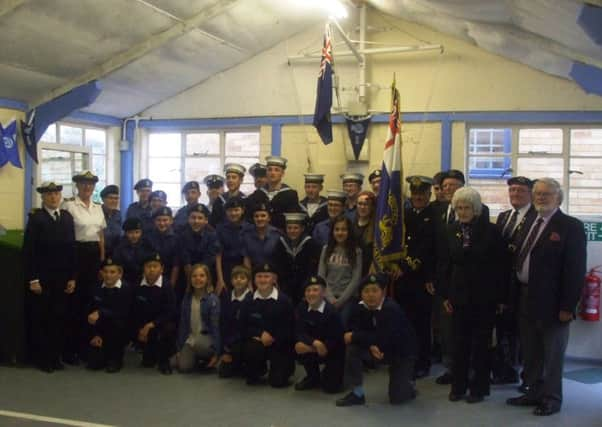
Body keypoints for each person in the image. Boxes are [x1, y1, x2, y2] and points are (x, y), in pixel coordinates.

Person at [506, 178, 586, 416]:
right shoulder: (530, 221)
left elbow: (575, 270)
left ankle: (551, 399)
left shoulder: (570, 226)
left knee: (552, 355)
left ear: (558, 198)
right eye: (538, 193)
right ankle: (532, 392)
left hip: (554, 303)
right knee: (530, 352)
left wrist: (568, 306)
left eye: (546, 194)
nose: (541, 197)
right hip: (525, 297)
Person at [439, 187, 508, 403]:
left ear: (476, 208)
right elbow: (445, 265)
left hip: (484, 297)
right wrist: (445, 296)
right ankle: (458, 387)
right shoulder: (450, 230)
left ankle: (479, 388)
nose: (462, 212)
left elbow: (502, 267)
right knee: (459, 344)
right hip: (458, 297)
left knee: (481, 345)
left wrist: (501, 298)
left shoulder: (492, 231)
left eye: (466, 207)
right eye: (458, 207)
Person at [336, 273, 417, 407]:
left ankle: (409, 382)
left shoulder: (391, 309)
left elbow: (385, 337)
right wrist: (370, 344)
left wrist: (360, 338)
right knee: (352, 349)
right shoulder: (360, 307)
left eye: (375, 290)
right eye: (366, 291)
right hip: (377, 348)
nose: (371, 295)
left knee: (398, 398)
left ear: (383, 292)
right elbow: (356, 329)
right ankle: (357, 393)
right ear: (361, 294)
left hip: (401, 353)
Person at [23, 182, 77, 372]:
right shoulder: (37, 219)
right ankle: (43, 359)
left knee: (59, 318)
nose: (54, 197)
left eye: (56, 194)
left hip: (62, 278)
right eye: (49, 195)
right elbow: (29, 251)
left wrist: (72, 277)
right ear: (43, 198)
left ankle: (55, 357)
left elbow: (72, 249)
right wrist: (33, 279)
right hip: (43, 279)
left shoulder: (67, 218)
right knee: (43, 319)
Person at [492, 176, 537, 386]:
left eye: (520, 191)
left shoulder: (537, 218)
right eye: (512, 191)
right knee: (504, 328)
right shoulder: (503, 217)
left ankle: (528, 377)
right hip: (503, 283)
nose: (515, 195)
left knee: (526, 334)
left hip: (525, 286)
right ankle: (505, 370)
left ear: (530, 194)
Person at [62, 170, 106, 364]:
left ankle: (86, 345)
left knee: (90, 300)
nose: (87, 187)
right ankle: (70, 349)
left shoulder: (98, 207)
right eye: (83, 184)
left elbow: (101, 235)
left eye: (90, 184)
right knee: (73, 303)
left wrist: (102, 260)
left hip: (94, 255)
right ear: (77, 186)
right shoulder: (69, 205)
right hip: (76, 254)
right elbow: (65, 236)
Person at [395, 176, 437, 379]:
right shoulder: (406, 215)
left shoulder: (435, 216)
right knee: (404, 322)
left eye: (422, 194)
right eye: (415, 193)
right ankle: (407, 358)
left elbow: (428, 249)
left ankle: (422, 362)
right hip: (402, 279)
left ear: (429, 195)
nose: (418, 197)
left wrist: (405, 266)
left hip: (422, 279)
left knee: (421, 324)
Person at [239, 263, 295, 387]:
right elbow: (242, 326)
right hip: (257, 343)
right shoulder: (248, 300)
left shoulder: (284, 301)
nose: (263, 280)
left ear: (274, 279)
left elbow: (290, 328)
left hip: (280, 344)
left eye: (266, 276)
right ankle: (258, 369)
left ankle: (281, 369)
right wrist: (259, 334)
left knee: (278, 382)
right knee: (251, 351)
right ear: (254, 280)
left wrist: (272, 338)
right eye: (259, 276)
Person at [294, 276, 344, 393]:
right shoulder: (301, 308)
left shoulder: (332, 312)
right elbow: (298, 331)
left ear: (323, 292)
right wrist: (314, 343)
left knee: (331, 388)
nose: (311, 293)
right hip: (315, 346)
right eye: (308, 290)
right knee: (298, 345)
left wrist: (314, 347)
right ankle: (313, 377)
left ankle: (336, 373)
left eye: (315, 290)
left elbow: (334, 341)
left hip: (333, 351)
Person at [130, 253, 177, 374]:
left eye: (155, 266)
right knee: (148, 362)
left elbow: (170, 311)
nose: (151, 269)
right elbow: (134, 310)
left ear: (162, 269)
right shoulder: (137, 285)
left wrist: (151, 325)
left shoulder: (167, 286)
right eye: (148, 266)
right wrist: (140, 328)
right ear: (143, 269)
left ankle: (164, 361)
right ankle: (146, 350)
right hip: (143, 325)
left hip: (160, 324)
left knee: (169, 328)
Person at [85, 258, 132, 373]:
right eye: (105, 272)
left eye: (112, 272)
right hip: (101, 330)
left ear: (120, 274)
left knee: (118, 325)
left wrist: (101, 312)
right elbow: (89, 311)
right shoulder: (96, 288)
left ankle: (116, 359)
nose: (108, 275)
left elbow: (124, 313)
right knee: (93, 364)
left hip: (119, 329)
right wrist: (94, 334)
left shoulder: (127, 289)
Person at [173, 264, 221, 373]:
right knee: (182, 367)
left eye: (202, 276)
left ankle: (211, 358)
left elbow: (215, 327)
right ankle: (198, 360)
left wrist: (217, 353)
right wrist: (179, 348)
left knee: (198, 344)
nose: (198, 279)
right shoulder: (187, 298)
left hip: (206, 341)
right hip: (191, 339)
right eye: (194, 276)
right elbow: (183, 325)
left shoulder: (213, 300)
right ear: (190, 279)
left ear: (207, 279)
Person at [318, 215, 362, 326]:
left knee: (341, 323)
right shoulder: (326, 249)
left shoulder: (356, 252)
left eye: (344, 229)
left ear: (349, 232)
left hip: (348, 299)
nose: (340, 233)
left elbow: (356, 280)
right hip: (328, 296)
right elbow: (321, 276)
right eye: (337, 229)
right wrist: (330, 298)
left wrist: (340, 301)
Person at [272, 212, 321, 305]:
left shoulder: (311, 244)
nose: (292, 231)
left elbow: (314, 268)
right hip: (285, 288)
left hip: (306, 287)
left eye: (296, 228)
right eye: (289, 228)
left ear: (302, 229)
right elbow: (277, 266)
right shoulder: (280, 244)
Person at [218, 265, 253, 378]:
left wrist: (231, 346)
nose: (238, 280)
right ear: (231, 280)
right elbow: (222, 323)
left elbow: (249, 326)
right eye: (235, 278)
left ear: (248, 281)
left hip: (244, 341)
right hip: (228, 342)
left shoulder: (251, 299)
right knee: (224, 373)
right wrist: (224, 349)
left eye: (242, 278)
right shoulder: (226, 297)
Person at [246, 156, 299, 230]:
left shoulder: (290, 195)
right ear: (266, 172)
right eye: (269, 170)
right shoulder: (257, 194)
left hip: (281, 235)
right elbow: (250, 217)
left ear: (282, 173)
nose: (272, 173)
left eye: (277, 170)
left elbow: (292, 221)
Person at [179, 203, 221, 294]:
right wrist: (191, 281)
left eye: (200, 218)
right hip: (187, 276)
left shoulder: (212, 235)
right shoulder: (182, 235)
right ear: (188, 219)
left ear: (206, 220)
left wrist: (200, 277)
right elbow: (185, 260)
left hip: (206, 274)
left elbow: (209, 258)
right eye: (193, 217)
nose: (196, 221)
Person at [216, 197, 252, 295]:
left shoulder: (249, 228)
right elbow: (218, 255)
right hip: (225, 268)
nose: (233, 213)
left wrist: (249, 282)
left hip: (243, 268)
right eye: (230, 210)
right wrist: (220, 279)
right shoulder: (220, 228)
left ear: (243, 210)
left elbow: (247, 256)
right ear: (226, 212)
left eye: (236, 210)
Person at [145, 207, 180, 289]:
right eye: (159, 220)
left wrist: (171, 285)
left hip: (169, 276)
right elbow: (146, 262)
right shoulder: (148, 237)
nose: (162, 223)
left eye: (165, 220)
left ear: (171, 221)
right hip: (152, 276)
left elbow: (176, 265)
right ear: (154, 221)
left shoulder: (176, 239)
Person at [113, 218, 152, 287]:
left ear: (141, 232)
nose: (134, 236)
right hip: (125, 279)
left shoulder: (146, 245)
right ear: (125, 233)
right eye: (130, 232)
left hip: (143, 279)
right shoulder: (120, 246)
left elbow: (149, 262)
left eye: (137, 232)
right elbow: (117, 265)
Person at [241, 202, 281, 268]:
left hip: (273, 273)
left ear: (269, 218)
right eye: (256, 216)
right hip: (254, 274)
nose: (259, 219)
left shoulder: (277, 235)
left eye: (263, 216)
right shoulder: (246, 234)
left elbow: (280, 260)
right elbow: (246, 259)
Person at [352, 191, 376, 276]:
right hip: (352, 270)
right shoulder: (351, 225)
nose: (362, 207)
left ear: (372, 207)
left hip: (369, 271)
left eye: (366, 204)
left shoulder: (377, 228)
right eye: (360, 204)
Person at [100, 185, 121, 258]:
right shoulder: (96, 213)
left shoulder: (119, 215)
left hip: (116, 254)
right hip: (99, 253)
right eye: (110, 198)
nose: (114, 201)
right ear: (103, 199)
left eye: (116, 198)